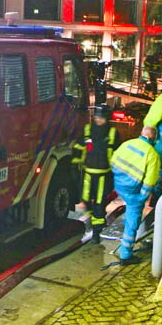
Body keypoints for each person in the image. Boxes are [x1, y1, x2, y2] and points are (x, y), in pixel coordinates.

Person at [111, 126, 161, 265]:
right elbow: (149, 182)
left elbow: (114, 160)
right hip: (134, 191)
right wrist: (142, 198)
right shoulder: (152, 155)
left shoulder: (127, 144)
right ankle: (125, 255)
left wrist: (119, 179)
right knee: (132, 222)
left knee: (130, 215)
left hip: (119, 185)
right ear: (154, 138)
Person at [72, 104, 118, 244]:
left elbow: (117, 154)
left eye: (101, 118)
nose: (98, 120)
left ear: (107, 119)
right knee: (85, 200)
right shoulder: (88, 130)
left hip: (104, 176)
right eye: (96, 117)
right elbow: (80, 147)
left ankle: (96, 233)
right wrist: (74, 165)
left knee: (99, 203)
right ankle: (93, 222)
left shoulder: (112, 133)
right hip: (87, 174)